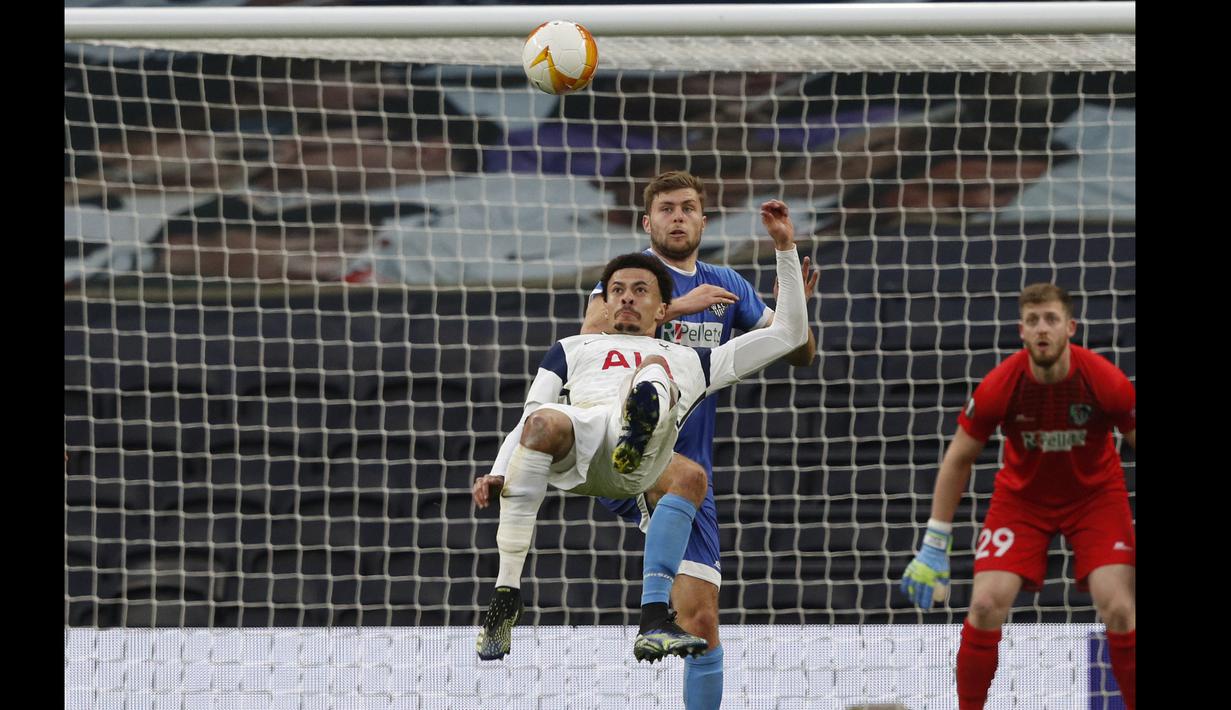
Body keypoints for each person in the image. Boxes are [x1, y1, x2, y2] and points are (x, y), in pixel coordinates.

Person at [471, 199, 810, 667]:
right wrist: (498, 470)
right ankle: (506, 596)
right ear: (605, 303)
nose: (627, 297)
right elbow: (531, 414)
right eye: (617, 290)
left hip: (644, 461)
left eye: (640, 290)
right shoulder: (571, 348)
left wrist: (785, 249)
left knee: (682, 451)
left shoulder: (693, 359)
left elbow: (791, 335)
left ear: (664, 307)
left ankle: (654, 615)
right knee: (544, 420)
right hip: (584, 449)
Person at [577, 171, 818, 709]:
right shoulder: (633, 279)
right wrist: (673, 308)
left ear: (704, 221)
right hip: (627, 448)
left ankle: (659, 621)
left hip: (690, 469)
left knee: (703, 623)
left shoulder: (725, 284)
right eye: (666, 208)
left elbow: (798, 351)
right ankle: (649, 610)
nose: (678, 216)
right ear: (648, 221)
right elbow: (588, 340)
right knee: (681, 482)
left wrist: (792, 291)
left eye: (688, 207)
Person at [900, 283, 1136, 710]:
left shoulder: (1106, 381)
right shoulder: (1000, 385)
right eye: (1033, 321)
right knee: (986, 604)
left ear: (1070, 327)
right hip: (1022, 501)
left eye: (1050, 319)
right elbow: (958, 459)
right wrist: (935, 541)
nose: (1042, 329)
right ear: (1021, 331)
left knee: (1119, 606)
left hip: (1096, 497)